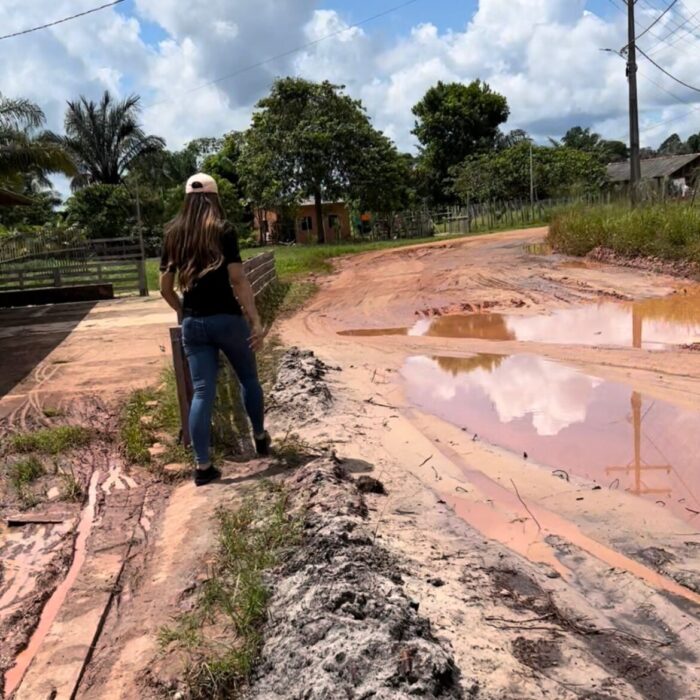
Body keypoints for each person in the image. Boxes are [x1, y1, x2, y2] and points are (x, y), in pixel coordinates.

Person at [159, 173, 270, 486]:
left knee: (203, 392)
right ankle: (260, 438)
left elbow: (164, 287)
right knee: (248, 377)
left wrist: (184, 311)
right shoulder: (224, 230)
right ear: (215, 197)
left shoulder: (172, 234)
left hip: (195, 324)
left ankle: (203, 466)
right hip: (227, 320)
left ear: (186, 199)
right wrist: (254, 318)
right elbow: (238, 279)